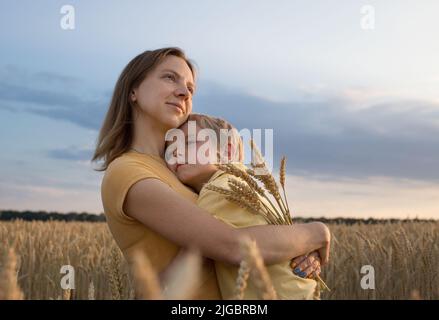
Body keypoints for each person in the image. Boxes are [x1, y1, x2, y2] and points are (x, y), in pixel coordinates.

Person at [92, 47, 330, 299]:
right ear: (133, 91)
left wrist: (295, 257)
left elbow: (249, 232)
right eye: (169, 77)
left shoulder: (181, 173)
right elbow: (231, 246)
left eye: (191, 88)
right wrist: (316, 233)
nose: (184, 92)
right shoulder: (127, 171)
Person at [165, 113, 321, 299]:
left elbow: (191, 258)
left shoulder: (219, 189)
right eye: (170, 148)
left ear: (227, 151)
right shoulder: (248, 189)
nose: (176, 152)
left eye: (189, 143)